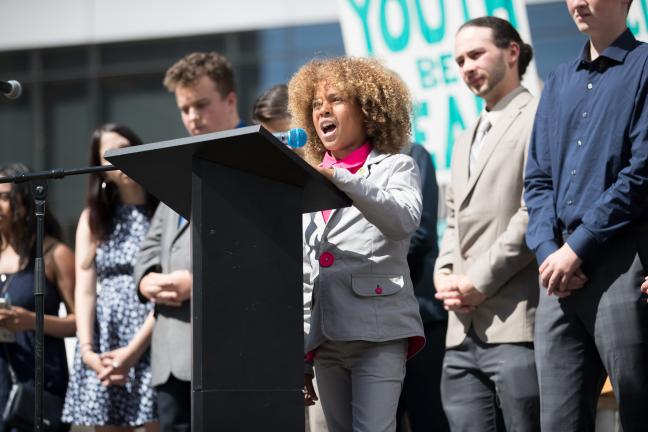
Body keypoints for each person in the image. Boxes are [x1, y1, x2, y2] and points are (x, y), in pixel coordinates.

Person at [524, 1, 648, 430]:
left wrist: (577, 247)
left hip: (624, 267)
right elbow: (537, 180)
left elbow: (642, 172)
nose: (576, 2)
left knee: (638, 410)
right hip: (556, 279)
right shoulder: (558, 81)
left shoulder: (645, 66)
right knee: (557, 421)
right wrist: (547, 251)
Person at [290, 56, 425, 432]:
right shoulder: (308, 181)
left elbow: (403, 220)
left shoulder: (395, 167)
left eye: (335, 99)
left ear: (368, 109)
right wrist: (301, 357)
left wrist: (344, 178)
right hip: (326, 339)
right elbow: (305, 274)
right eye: (316, 104)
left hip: (378, 335)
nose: (323, 111)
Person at [434, 16, 540, 431]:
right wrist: (444, 274)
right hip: (459, 331)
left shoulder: (540, 114)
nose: (466, 66)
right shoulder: (464, 138)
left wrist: (478, 280)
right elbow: (452, 220)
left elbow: (535, 211)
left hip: (515, 322)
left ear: (513, 52)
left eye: (476, 53)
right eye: (459, 59)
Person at [133, 51, 243, 432]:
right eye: (184, 108)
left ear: (230, 100)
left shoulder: (257, 161)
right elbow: (151, 244)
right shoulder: (178, 164)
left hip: (227, 353)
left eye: (201, 105)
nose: (192, 117)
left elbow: (262, 248)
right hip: (170, 355)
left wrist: (197, 282)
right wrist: (146, 279)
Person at [62, 124, 159, 431]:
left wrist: (133, 352)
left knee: (158, 420)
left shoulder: (165, 208)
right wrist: (88, 350)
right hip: (106, 335)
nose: (122, 158)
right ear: (101, 170)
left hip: (153, 331)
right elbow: (86, 289)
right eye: (111, 155)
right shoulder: (94, 218)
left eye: (126, 147)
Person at [0, 162, 76, 432]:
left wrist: (30, 320)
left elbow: (81, 323)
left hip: (39, 380)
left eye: (4, 197)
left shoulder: (54, 253)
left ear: (24, 201)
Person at [396, 143, 449, 432]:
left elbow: (420, 232)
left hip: (421, 317)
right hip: (373, 323)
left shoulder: (411, 154)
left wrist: (365, 262)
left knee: (429, 418)